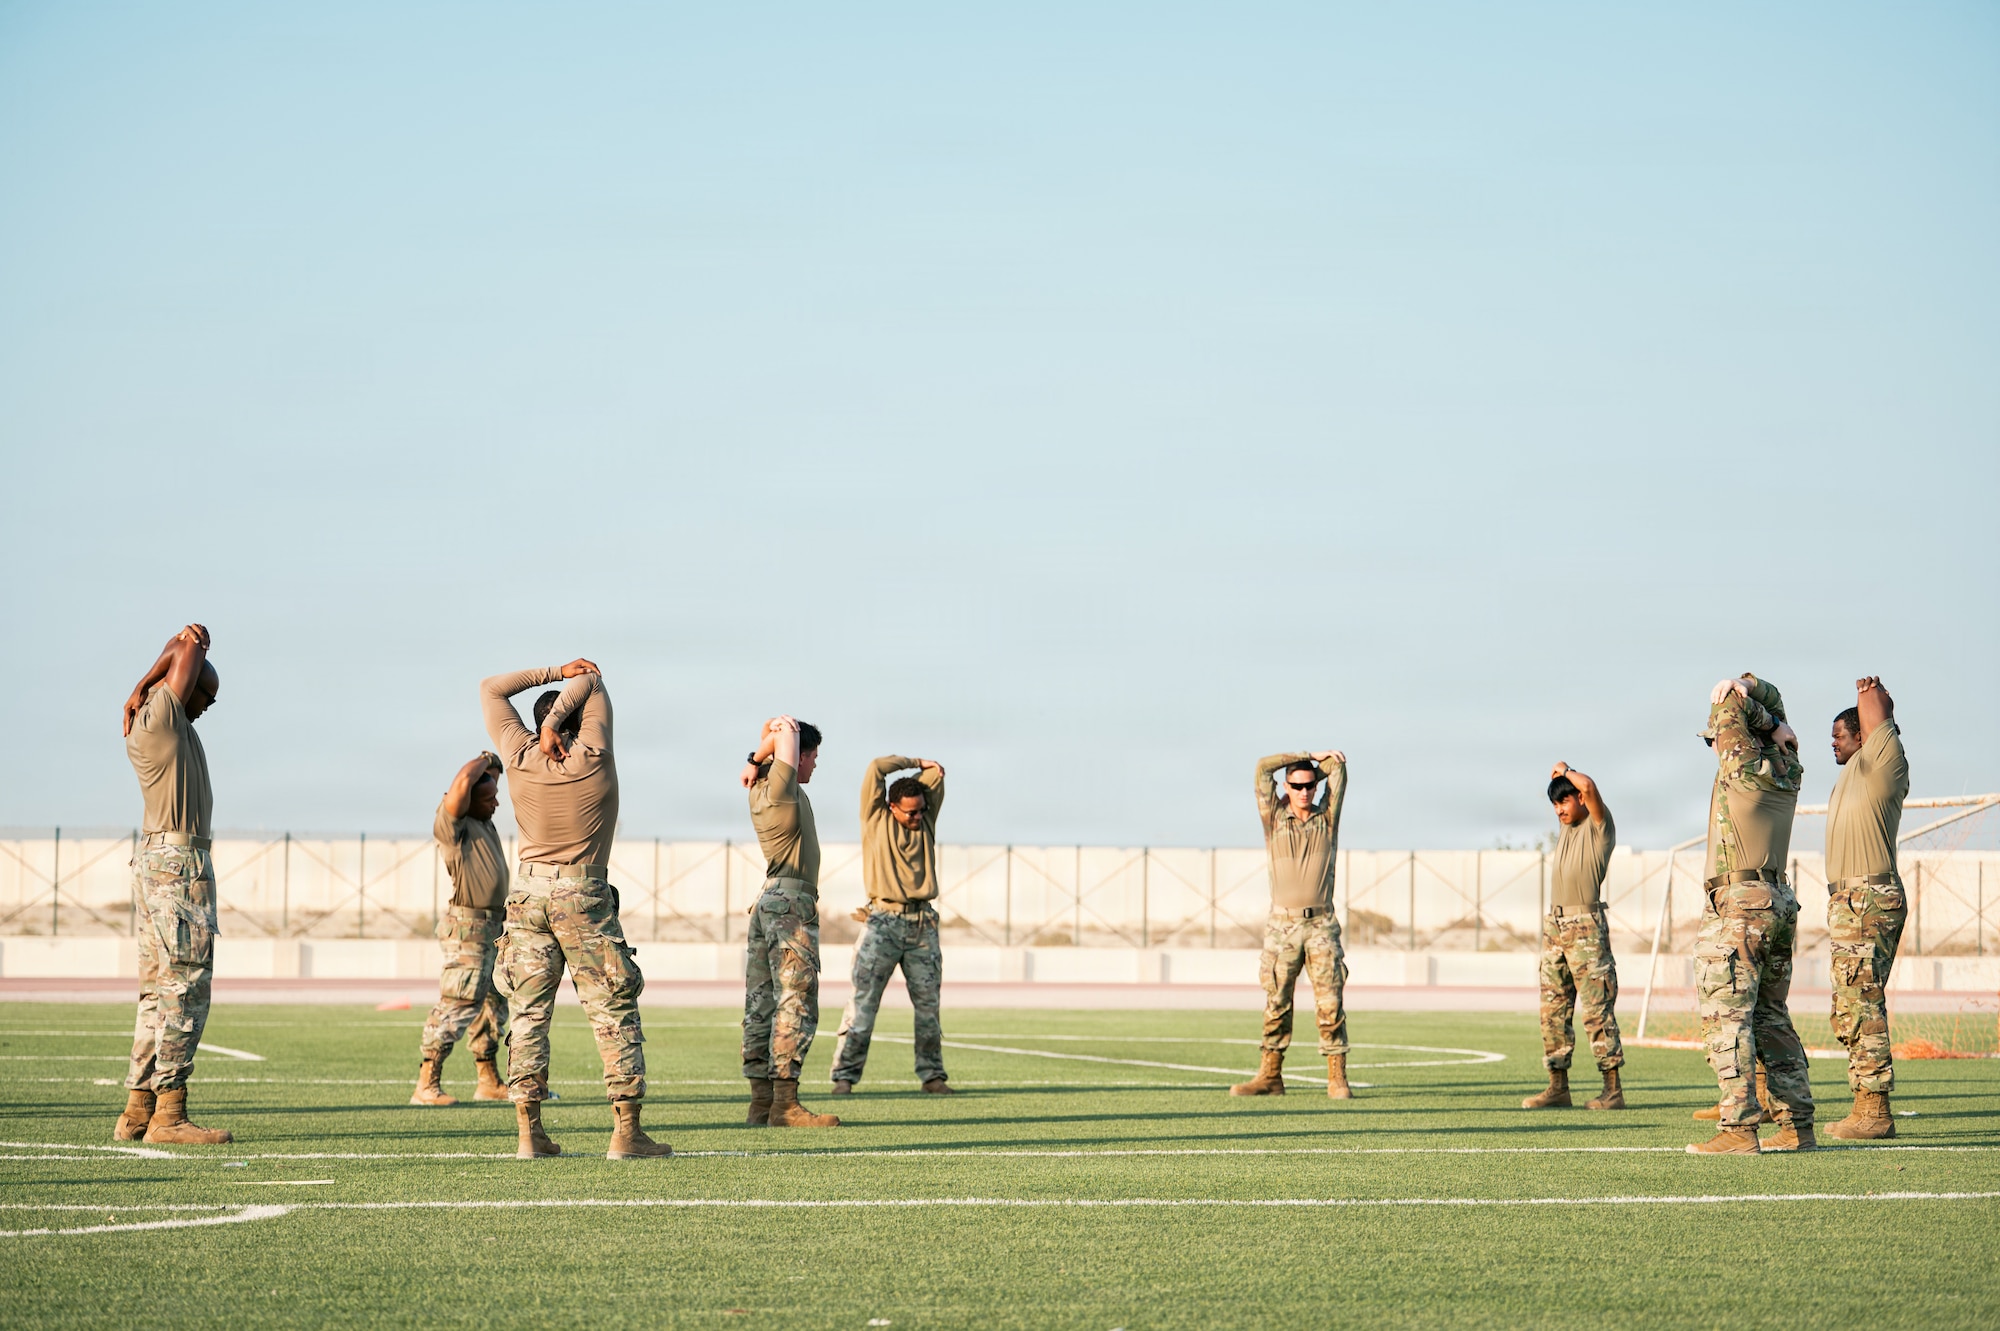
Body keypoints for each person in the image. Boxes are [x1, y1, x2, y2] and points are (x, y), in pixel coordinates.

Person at [481, 660, 668, 1160]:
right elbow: (595, 681)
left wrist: (554, 673)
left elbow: (492, 687)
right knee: (613, 1011)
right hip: (582, 896)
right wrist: (555, 719)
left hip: (527, 897)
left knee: (526, 1014)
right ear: (579, 723)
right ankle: (626, 1133)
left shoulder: (518, 755)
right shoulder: (592, 755)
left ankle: (529, 1133)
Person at [113, 623, 232, 1145]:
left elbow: (182, 651)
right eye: (208, 695)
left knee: (155, 991)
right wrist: (159, 668)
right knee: (185, 988)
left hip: (157, 859)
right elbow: (189, 644)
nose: (208, 707)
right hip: (178, 864)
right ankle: (169, 1116)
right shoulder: (163, 716)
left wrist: (144, 680)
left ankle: (137, 1109)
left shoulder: (154, 716)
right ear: (189, 688)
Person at [1688, 673, 1814, 1154]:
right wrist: (1762, 700)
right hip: (1778, 898)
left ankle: (1739, 1129)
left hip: (1741, 903)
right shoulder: (1790, 765)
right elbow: (1771, 707)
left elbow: (1729, 717)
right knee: (1771, 1017)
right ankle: (1796, 1126)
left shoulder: (1740, 768)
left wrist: (1729, 691)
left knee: (1729, 1017)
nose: (1715, 744)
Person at [1233, 750, 1352, 1099]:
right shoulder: (1274, 817)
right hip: (1281, 926)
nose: (1303, 791)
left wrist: (1324, 763)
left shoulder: (1327, 818)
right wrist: (1305, 754)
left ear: (1316, 786)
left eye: (1309, 785)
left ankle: (1337, 1078)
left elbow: (1339, 771)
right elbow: (1261, 768)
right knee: (1276, 1003)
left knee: (1330, 1004)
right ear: (1286, 786)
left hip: (1320, 925)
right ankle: (1270, 1077)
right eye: (1296, 785)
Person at [739, 716, 840, 1127]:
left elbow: (775, 731)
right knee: (794, 1000)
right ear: (796, 758)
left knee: (760, 1002)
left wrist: (752, 757)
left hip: (768, 900)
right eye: (812, 757)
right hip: (791, 902)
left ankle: (761, 1101)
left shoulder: (762, 789)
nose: (814, 764)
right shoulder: (780, 788)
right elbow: (782, 730)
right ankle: (784, 1103)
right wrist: (761, 752)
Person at [830, 755, 951, 1096]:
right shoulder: (875, 819)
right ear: (890, 806)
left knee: (928, 1008)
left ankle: (932, 1076)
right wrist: (915, 761)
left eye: (922, 809)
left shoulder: (925, 820)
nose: (918, 817)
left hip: (922, 924)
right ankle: (844, 1076)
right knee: (863, 1005)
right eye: (910, 812)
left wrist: (931, 769)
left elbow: (934, 776)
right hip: (882, 923)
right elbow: (876, 768)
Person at [1822, 675, 1910, 1140]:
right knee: (1851, 1004)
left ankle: (1875, 1112)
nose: (1831, 742)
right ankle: (1864, 1104)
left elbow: (1878, 710)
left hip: (1868, 899)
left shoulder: (1882, 762)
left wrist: (1867, 692)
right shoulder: (1851, 774)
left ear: (1865, 736)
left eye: (1839, 734)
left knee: (1862, 1003)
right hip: (1850, 902)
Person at [1522, 762, 1626, 1110]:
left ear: (1581, 799)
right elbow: (1566, 790)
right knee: (1552, 1010)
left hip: (1585, 926)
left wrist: (1567, 769)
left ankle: (1612, 1090)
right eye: (1555, 804)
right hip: (1555, 926)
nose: (1560, 810)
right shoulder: (1566, 827)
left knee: (1596, 1010)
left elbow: (1591, 786)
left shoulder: (1599, 827)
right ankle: (1558, 1087)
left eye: (1565, 802)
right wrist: (1558, 781)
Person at [411, 751, 512, 1107]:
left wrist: (493, 768)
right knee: (458, 1003)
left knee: (491, 1008)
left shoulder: (484, 820)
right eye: (490, 797)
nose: (498, 802)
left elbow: (485, 782)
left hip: (494, 926)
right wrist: (484, 757)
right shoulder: (453, 826)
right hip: (468, 927)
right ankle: (427, 1084)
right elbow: (459, 787)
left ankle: (488, 1081)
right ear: (468, 799)